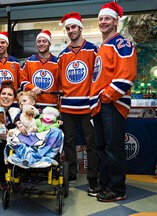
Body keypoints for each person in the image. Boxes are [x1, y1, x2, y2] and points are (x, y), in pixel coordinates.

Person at [90, 2, 137, 202]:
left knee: (113, 148)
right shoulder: (103, 47)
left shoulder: (122, 44)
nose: (103, 22)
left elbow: (127, 75)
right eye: (100, 19)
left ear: (115, 21)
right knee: (102, 147)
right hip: (101, 105)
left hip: (112, 104)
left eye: (107, 18)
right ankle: (106, 185)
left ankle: (117, 190)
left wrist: (106, 96)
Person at [57, 12, 99, 196]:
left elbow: (98, 76)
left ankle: (93, 178)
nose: (71, 31)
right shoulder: (62, 55)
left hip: (88, 106)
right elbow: (59, 82)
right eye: (68, 28)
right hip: (67, 107)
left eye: (73, 27)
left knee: (92, 143)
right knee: (69, 142)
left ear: (80, 28)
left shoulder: (93, 50)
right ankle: (71, 174)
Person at [20, 30, 59, 108]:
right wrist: (32, 88)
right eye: (39, 41)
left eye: (44, 41)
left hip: (52, 107)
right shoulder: (29, 61)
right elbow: (22, 81)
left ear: (49, 44)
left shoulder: (57, 63)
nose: (41, 44)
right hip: (32, 105)